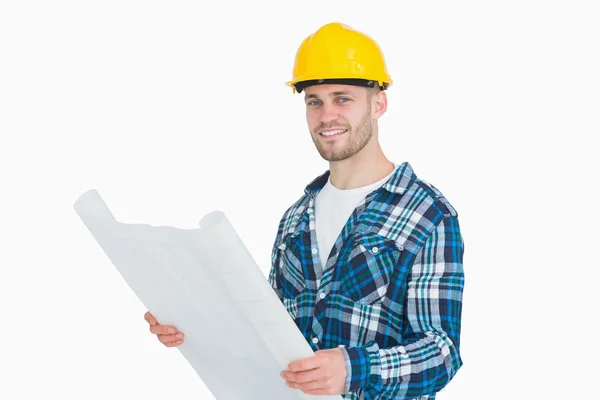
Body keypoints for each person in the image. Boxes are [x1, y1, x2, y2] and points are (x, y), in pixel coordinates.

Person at [144, 22, 465, 399]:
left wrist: (352, 368)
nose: (326, 115)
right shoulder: (296, 218)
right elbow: (267, 331)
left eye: (342, 98)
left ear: (378, 103)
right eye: (314, 101)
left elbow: (442, 352)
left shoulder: (428, 214)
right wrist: (193, 328)